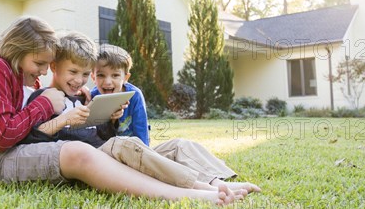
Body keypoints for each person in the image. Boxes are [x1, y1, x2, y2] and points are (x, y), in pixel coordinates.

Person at [0, 17, 234, 206]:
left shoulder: (25, 78)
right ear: (18, 50)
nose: (40, 72)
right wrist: (49, 107)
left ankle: (214, 182)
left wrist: (104, 118)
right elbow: (3, 138)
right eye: (39, 64)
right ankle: (191, 193)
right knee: (90, 151)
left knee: (139, 147)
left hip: (23, 147)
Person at [91, 44, 261, 195]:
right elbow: (93, 141)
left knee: (180, 145)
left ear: (125, 77)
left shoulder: (134, 95)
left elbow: (142, 134)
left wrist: (147, 157)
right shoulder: (90, 98)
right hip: (112, 161)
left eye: (115, 75)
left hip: (140, 153)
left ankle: (216, 181)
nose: (107, 81)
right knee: (133, 148)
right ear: (93, 76)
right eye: (101, 75)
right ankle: (205, 187)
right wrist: (110, 120)